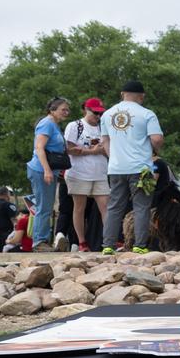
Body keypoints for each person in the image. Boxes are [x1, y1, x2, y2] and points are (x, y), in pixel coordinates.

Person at [100, 80, 163, 255]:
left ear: (122, 94)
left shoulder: (107, 115)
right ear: (141, 96)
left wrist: (114, 158)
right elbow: (157, 139)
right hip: (141, 169)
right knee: (141, 207)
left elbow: (105, 141)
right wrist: (155, 150)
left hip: (116, 168)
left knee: (114, 207)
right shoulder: (147, 114)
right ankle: (140, 245)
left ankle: (108, 245)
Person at [64, 97, 110, 252]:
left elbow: (109, 150)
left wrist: (104, 150)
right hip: (79, 172)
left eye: (100, 113)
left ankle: (109, 240)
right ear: (85, 110)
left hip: (100, 172)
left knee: (106, 206)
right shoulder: (75, 126)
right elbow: (68, 149)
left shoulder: (103, 127)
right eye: (95, 113)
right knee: (79, 208)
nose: (97, 116)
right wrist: (92, 151)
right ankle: (82, 242)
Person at [25, 96, 70, 251]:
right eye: (63, 109)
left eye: (67, 109)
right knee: (44, 206)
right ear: (52, 110)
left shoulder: (54, 125)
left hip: (48, 170)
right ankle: (39, 242)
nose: (67, 112)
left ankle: (42, 240)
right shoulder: (46, 124)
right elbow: (39, 148)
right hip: (40, 169)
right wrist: (46, 170)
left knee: (46, 205)